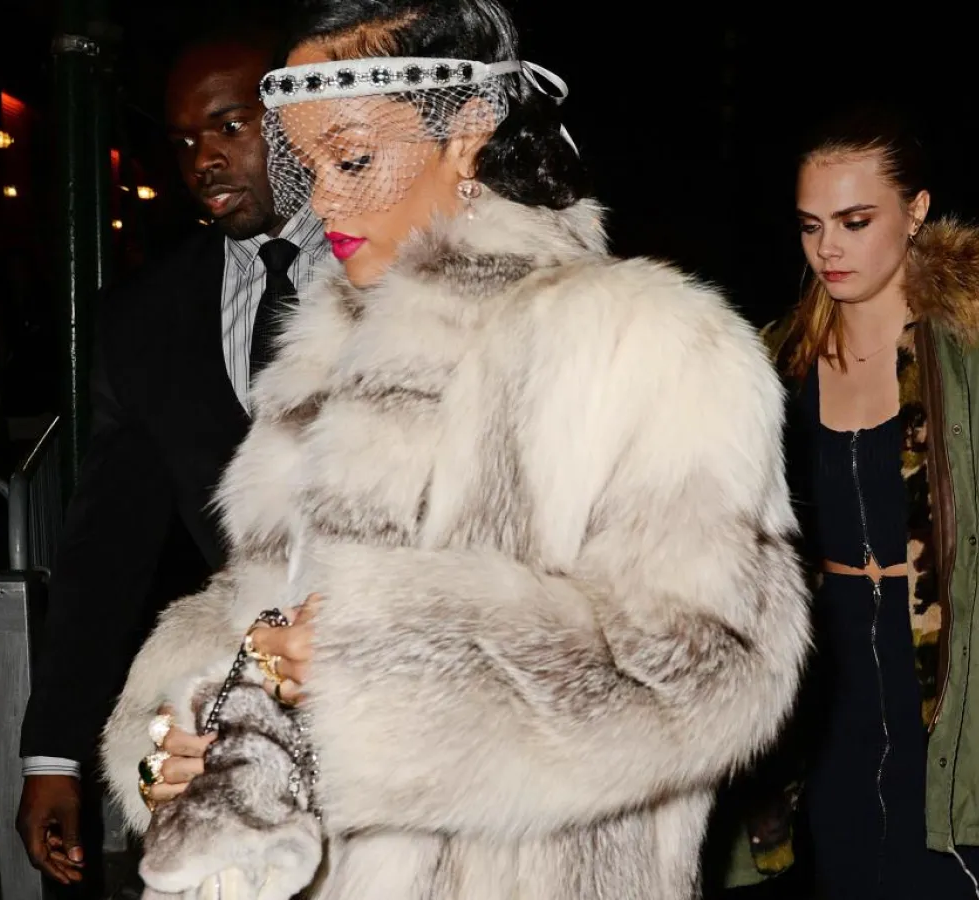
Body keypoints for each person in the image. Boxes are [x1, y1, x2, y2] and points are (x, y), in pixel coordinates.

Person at [99, 1, 812, 897]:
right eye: (309, 166)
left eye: (354, 159)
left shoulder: (644, 337)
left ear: (468, 134)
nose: (323, 201)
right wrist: (186, 733)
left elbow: (714, 666)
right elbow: (264, 606)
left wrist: (374, 665)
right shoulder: (325, 355)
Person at [736, 109, 979, 899]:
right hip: (825, 693)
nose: (829, 248)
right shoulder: (774, 361)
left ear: (916, 210)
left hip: (957, 691)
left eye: (856, 221)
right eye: (812, 226)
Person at [15, 25, 326, 887]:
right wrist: (52, 754)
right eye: (185, 140)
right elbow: (104, 551)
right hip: (248, 701)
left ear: (295, 120)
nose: (204, 160)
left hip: (408, 682)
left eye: (230, 126)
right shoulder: (147, 317)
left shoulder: (393, 264)